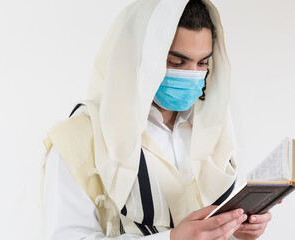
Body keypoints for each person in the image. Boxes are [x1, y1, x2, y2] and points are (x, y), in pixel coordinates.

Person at [42, 0, 271, 239]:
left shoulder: (213, 128)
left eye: (202, 63)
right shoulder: (77, 140)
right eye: (176, 63)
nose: (192, 75)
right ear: (138, 56)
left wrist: (239, 229)